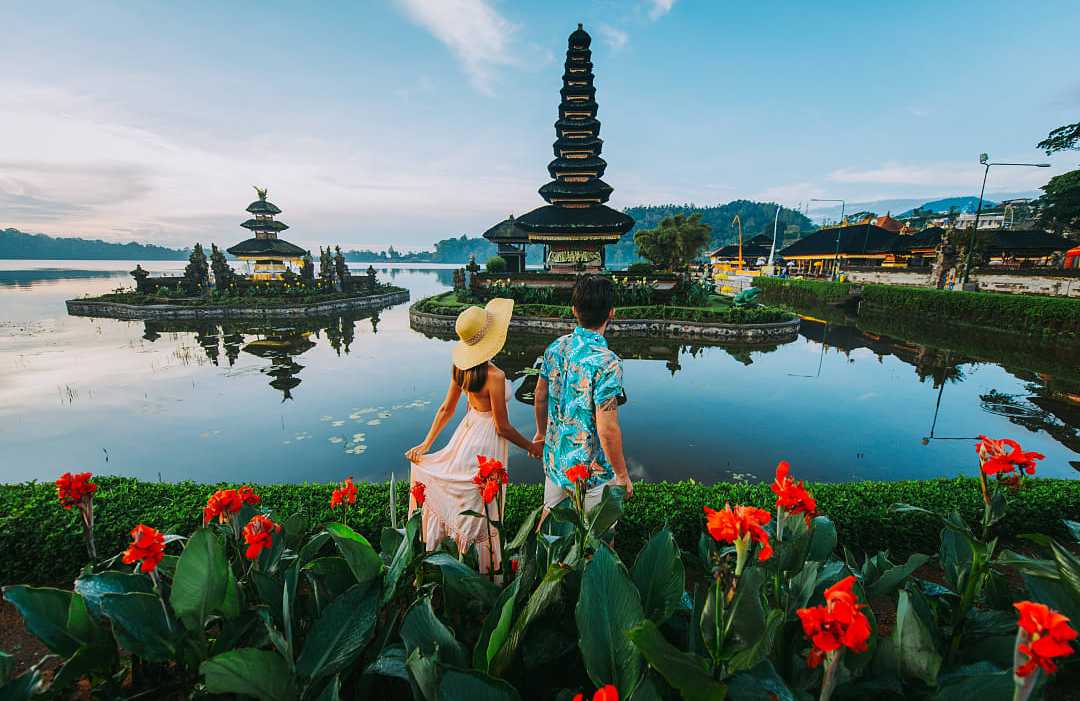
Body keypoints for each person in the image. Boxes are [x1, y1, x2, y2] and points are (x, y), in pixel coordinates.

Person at [405, 298, 540, 573]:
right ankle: (485, 570)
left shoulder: (460, 368)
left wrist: (427, 444)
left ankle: (460, 559)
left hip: (466, 434)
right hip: (488, 440)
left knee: (469, 496)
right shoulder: (496, 375)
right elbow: (502, 426)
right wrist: (531, 446)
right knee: (483, 504)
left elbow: (446, 409)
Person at [534, 275, 633, 516]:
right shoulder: (607, 362)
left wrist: (541, 433)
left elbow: (539, 395)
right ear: (612, 312)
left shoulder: (555, 347)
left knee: (552, 536)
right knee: (598, 545)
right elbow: (607, 428)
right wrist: (622, 475)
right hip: (591, 472)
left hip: (556, 462)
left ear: (574, 310)